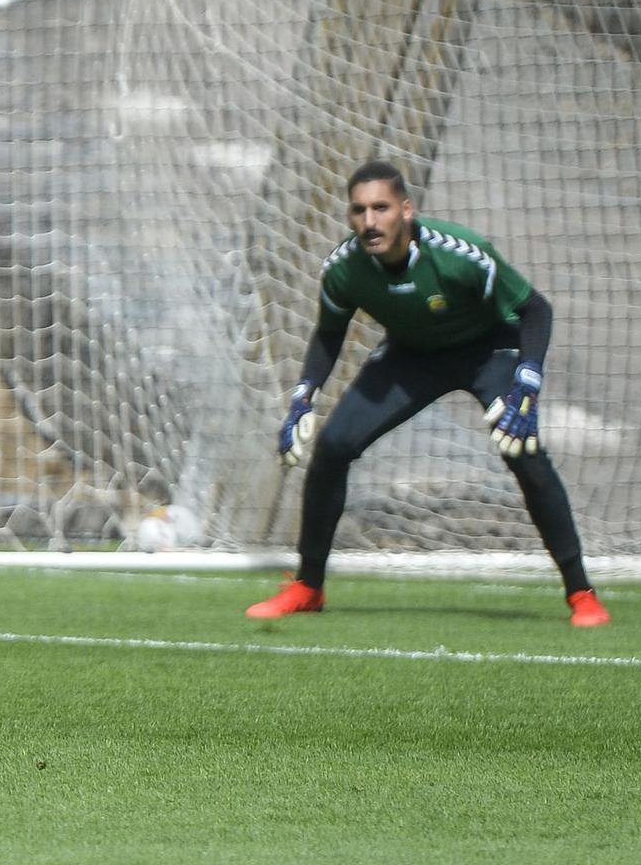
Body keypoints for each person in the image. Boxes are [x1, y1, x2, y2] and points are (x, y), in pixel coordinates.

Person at [250, 160, 608, 627]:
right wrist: (303, 396)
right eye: (358, 210)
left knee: (525, 451)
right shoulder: (344, 268)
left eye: (381, 208)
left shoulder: (463, 253)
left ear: (406, 210)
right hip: (411, 356)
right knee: (334, 446)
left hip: (488, 350)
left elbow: (535, 310)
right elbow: (327, 334)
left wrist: (527, 383)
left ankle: (581, 593)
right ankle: (307, 586)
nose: (370, 221)